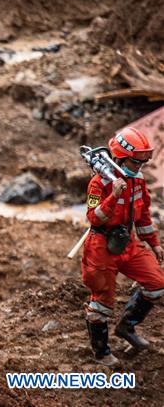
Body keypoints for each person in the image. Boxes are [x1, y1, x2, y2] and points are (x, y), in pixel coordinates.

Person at [82, 126, 164, 367]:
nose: (139, 167)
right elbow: (93, 217)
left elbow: (143, 217)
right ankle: (101, 352)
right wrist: (113, 196)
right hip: (100, 246)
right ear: (119, 158)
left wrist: (154, 244)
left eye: (141, 163)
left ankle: (126, 327)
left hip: (127, 241)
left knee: (157, 284)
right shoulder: (98, 184)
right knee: (100, 304)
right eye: (135, 162)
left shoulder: (137, 182)